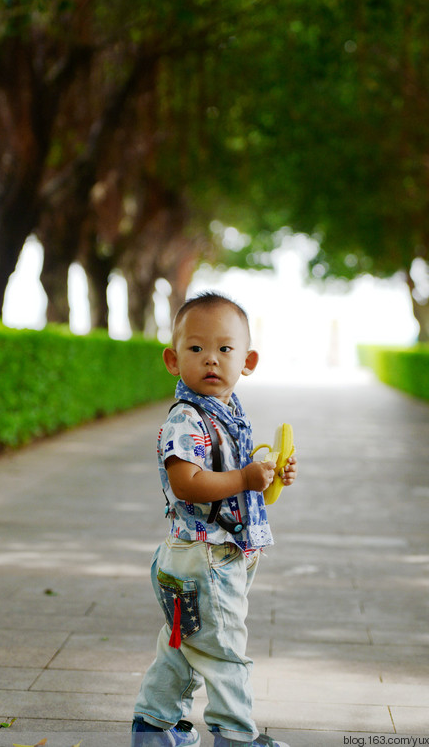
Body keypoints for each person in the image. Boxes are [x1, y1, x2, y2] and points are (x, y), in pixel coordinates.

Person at [131, 292, 298, 747]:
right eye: (196, 348)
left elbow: (234, 480)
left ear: (248, 361)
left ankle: (153, 728)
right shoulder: (186, 417)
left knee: (182, 646)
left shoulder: (226, 413)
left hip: (206, 557)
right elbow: (188, 482)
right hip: (205, 558)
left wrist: (265, 476)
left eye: (225, 349)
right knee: (225, 652)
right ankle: (235, 737)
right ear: (172, 359)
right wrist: (244, 477)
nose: (211, 359)